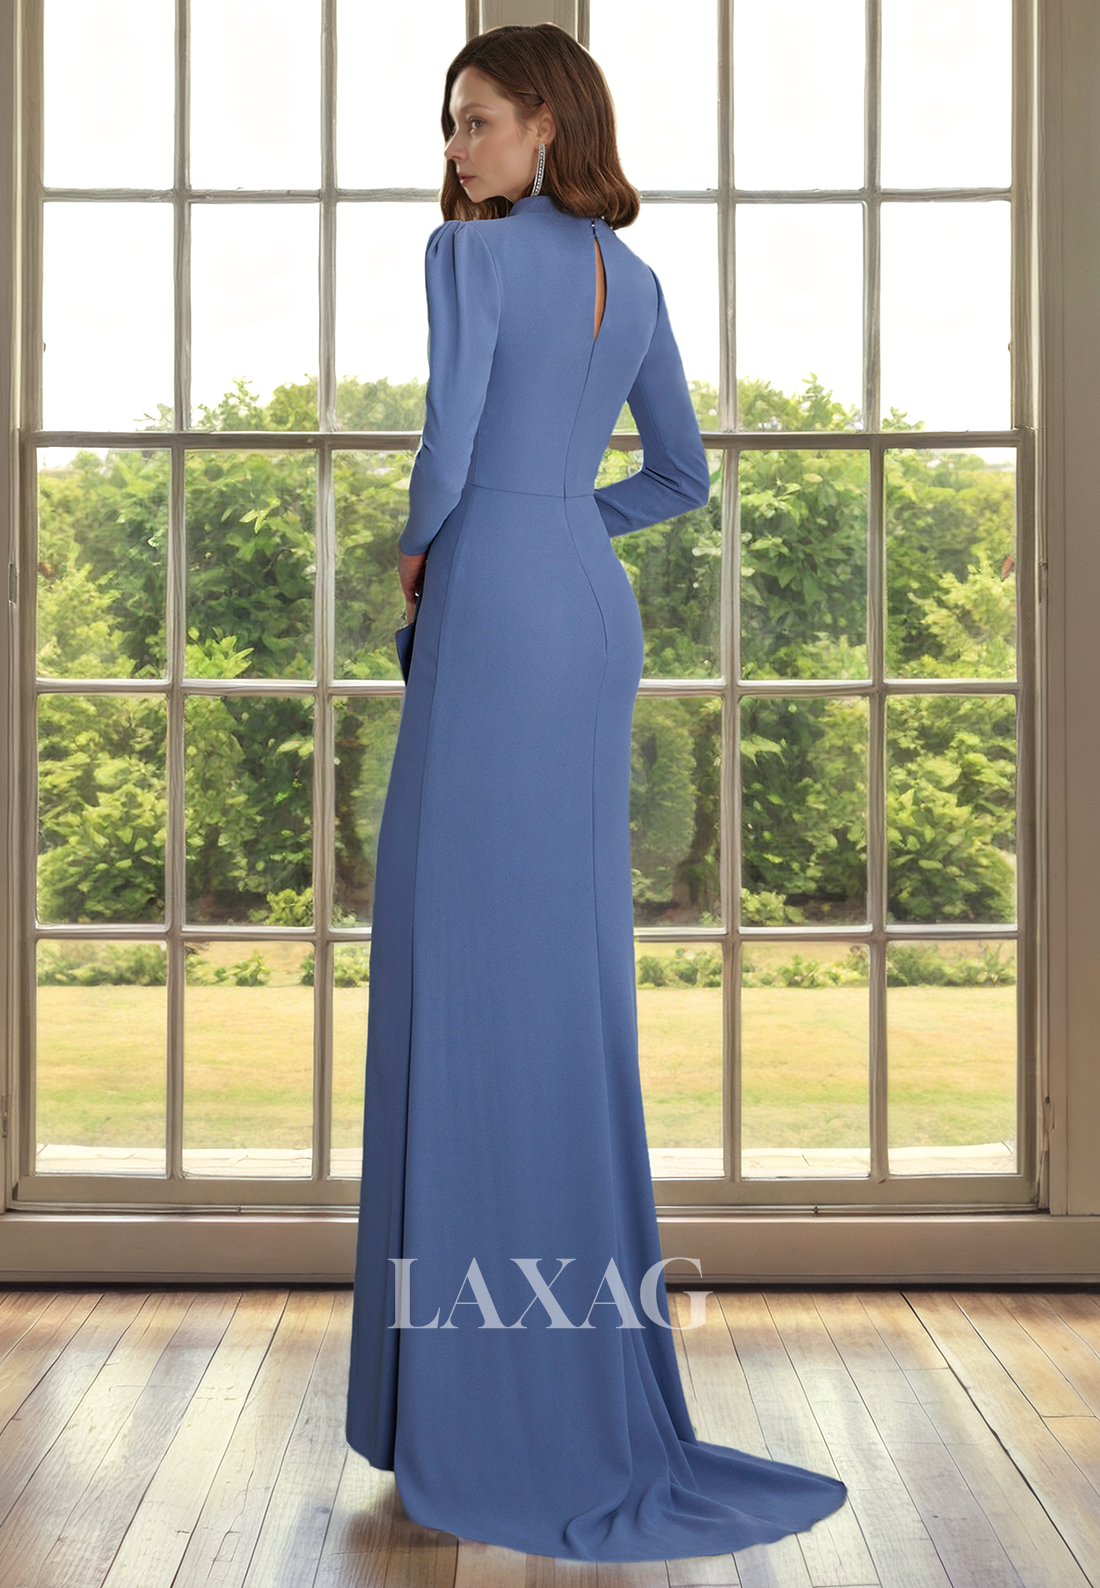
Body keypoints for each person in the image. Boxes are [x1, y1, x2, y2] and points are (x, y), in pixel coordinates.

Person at [346, 21, 848, 1564]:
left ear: (549, 125)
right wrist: (565, 515)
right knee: (560, 979)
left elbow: (447, 444)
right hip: (583, 606)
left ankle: (464, 1411)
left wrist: (424, 550)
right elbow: (681, 477)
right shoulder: (636, 281)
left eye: (478, 121)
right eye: (450, 126)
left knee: (452, 971)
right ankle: (562, 1384)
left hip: (494, 605)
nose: (456, 150)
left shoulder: (465, 257)